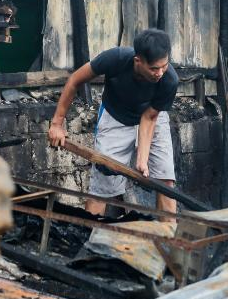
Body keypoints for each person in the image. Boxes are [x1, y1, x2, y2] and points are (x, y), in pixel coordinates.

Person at [47, 29, 179, 217]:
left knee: (165, 183)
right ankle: (89, 235)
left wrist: (142, 160)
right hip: (115, 116)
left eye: (164, 66)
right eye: (154, 69)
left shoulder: (170, 80)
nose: (160, 73)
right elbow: (75, 80)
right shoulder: (115, 59)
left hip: (152, 118)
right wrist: (57, 124)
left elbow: (149, 118)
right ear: (138, 61)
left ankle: (169, 240)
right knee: (103, 184)